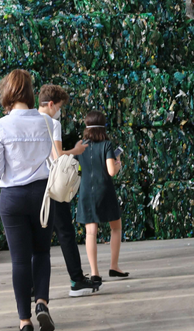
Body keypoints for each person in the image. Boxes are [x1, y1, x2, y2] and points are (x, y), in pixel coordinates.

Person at [0, 70, 56, 331]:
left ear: (7, 93)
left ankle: (24, 320)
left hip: (13, 197)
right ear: (30, 92)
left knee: (19, 259)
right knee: (41, 252)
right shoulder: (46, 122)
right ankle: (41, 303)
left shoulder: (0, 127)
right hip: (42, 195)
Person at [37, 84, 100, 297]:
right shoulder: (52, 123)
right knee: (65, 233)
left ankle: (31, 288)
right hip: (53, 186)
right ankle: (77, 280)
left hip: (32, 187)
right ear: (52, 104)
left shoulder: (29, 121)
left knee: (36, 239)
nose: (60, 111)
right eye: (60, 106)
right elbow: (58, 155)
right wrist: (77, 150)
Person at [76, 110, 128, 283]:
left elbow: (78, 170)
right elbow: (111, 171)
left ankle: (94, 273)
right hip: (104, 191)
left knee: (90, 232)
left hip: (85, 192)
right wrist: (118, 163)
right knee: (116, 228)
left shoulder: (80, 145)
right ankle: (114, 266)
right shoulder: (107, 145)